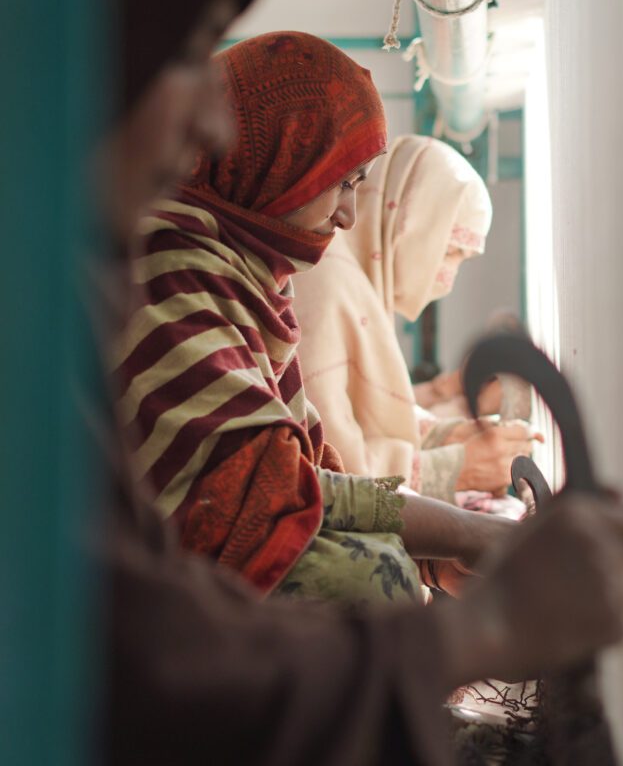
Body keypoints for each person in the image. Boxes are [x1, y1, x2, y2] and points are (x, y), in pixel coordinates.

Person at [94, 0, 623, 766]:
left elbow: (277, 479)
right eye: (181, 55)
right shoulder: (173, 269)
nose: (208, 118)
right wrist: (479, 622)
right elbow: (171, 625)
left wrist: (457, 534)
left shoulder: (209, 279)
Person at [111, 30, 513, 605]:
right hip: (130, 600)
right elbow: (265, 490)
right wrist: (464, 531)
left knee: (388, 569)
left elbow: (303, 469)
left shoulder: (247, 281)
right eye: (340, 183)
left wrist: (432, 555)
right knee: (370, 580)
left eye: (358, 187)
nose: (348, 216)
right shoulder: (169, 271)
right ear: (280, 162)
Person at [294, 134, 539, 505]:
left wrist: (450, 436)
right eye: (451, 252)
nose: (448, 280)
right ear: (413, 224)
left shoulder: (357, 279)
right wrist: (456, 468)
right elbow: (328, 468)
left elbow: (362, 416)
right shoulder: (327, 285)